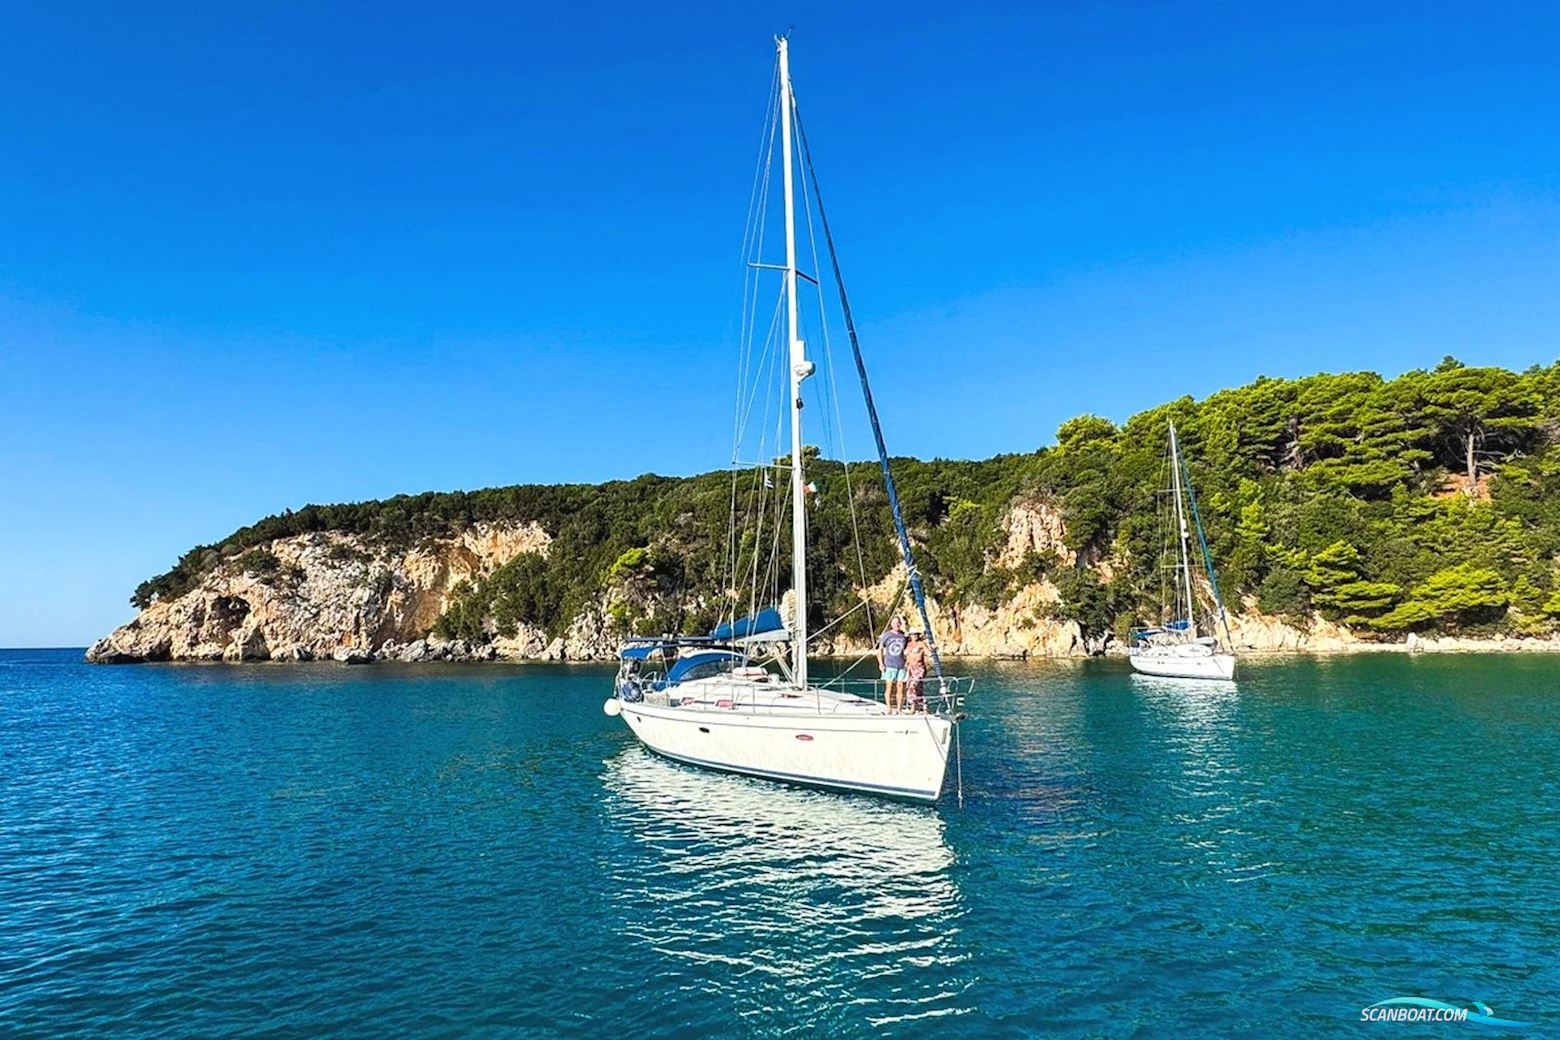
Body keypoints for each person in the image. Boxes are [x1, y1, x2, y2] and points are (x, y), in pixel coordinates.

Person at [877, 615, 908, 714]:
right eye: (895, 623)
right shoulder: (886, 635)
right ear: (891, 624)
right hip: (889, 665)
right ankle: (889, 708)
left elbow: (905, 650)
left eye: (898, 622)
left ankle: (899, 709)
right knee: (889, 687)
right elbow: (880, 650)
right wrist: (881, 663)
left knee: (900, 687)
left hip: (901, 665)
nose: (897, 624)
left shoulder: (903, 636)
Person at [904, 627, 931, 712]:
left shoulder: (921, 644)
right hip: (910, 669)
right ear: (910, 635)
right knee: (918, 688)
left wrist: (933, 648)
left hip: (919, 668)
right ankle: (924, 705)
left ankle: (912, 706)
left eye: (916, 634)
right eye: (913, 634)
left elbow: (929, 653)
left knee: (912, 686)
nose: (914, 636)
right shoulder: (908, 644)